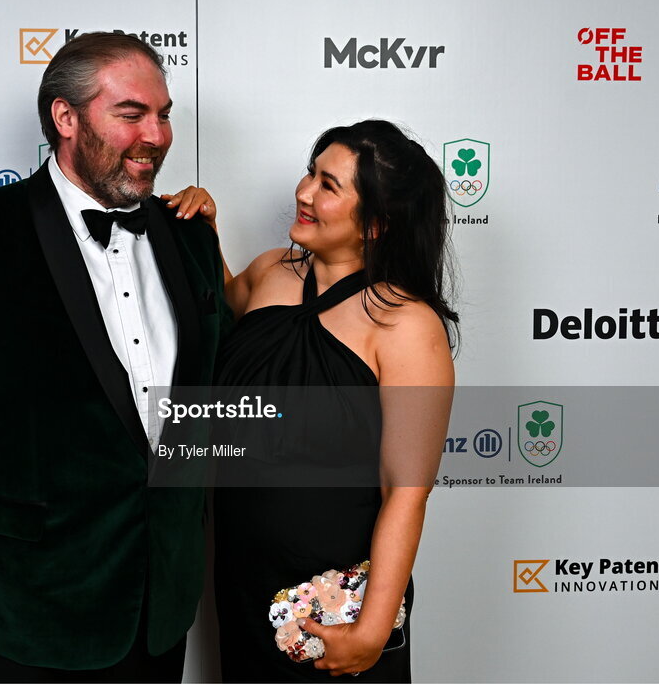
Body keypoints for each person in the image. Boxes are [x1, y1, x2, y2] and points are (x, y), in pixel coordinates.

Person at [0, 32, 231, 683]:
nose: (156, 134)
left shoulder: (190, 241)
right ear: (65, 118)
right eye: (130, 114)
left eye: (165, 113)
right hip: (24, 604)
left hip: (159, 604)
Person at [163, 119, 456, 682]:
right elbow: (219, 317)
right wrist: (206, 228)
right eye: (310, 172)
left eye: (328, 185)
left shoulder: (407, 327)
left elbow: (406, 492)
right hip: (244, 576)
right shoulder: (272, 269)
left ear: (377, 223)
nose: (303, 192)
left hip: (335, 600)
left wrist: (371, 630)